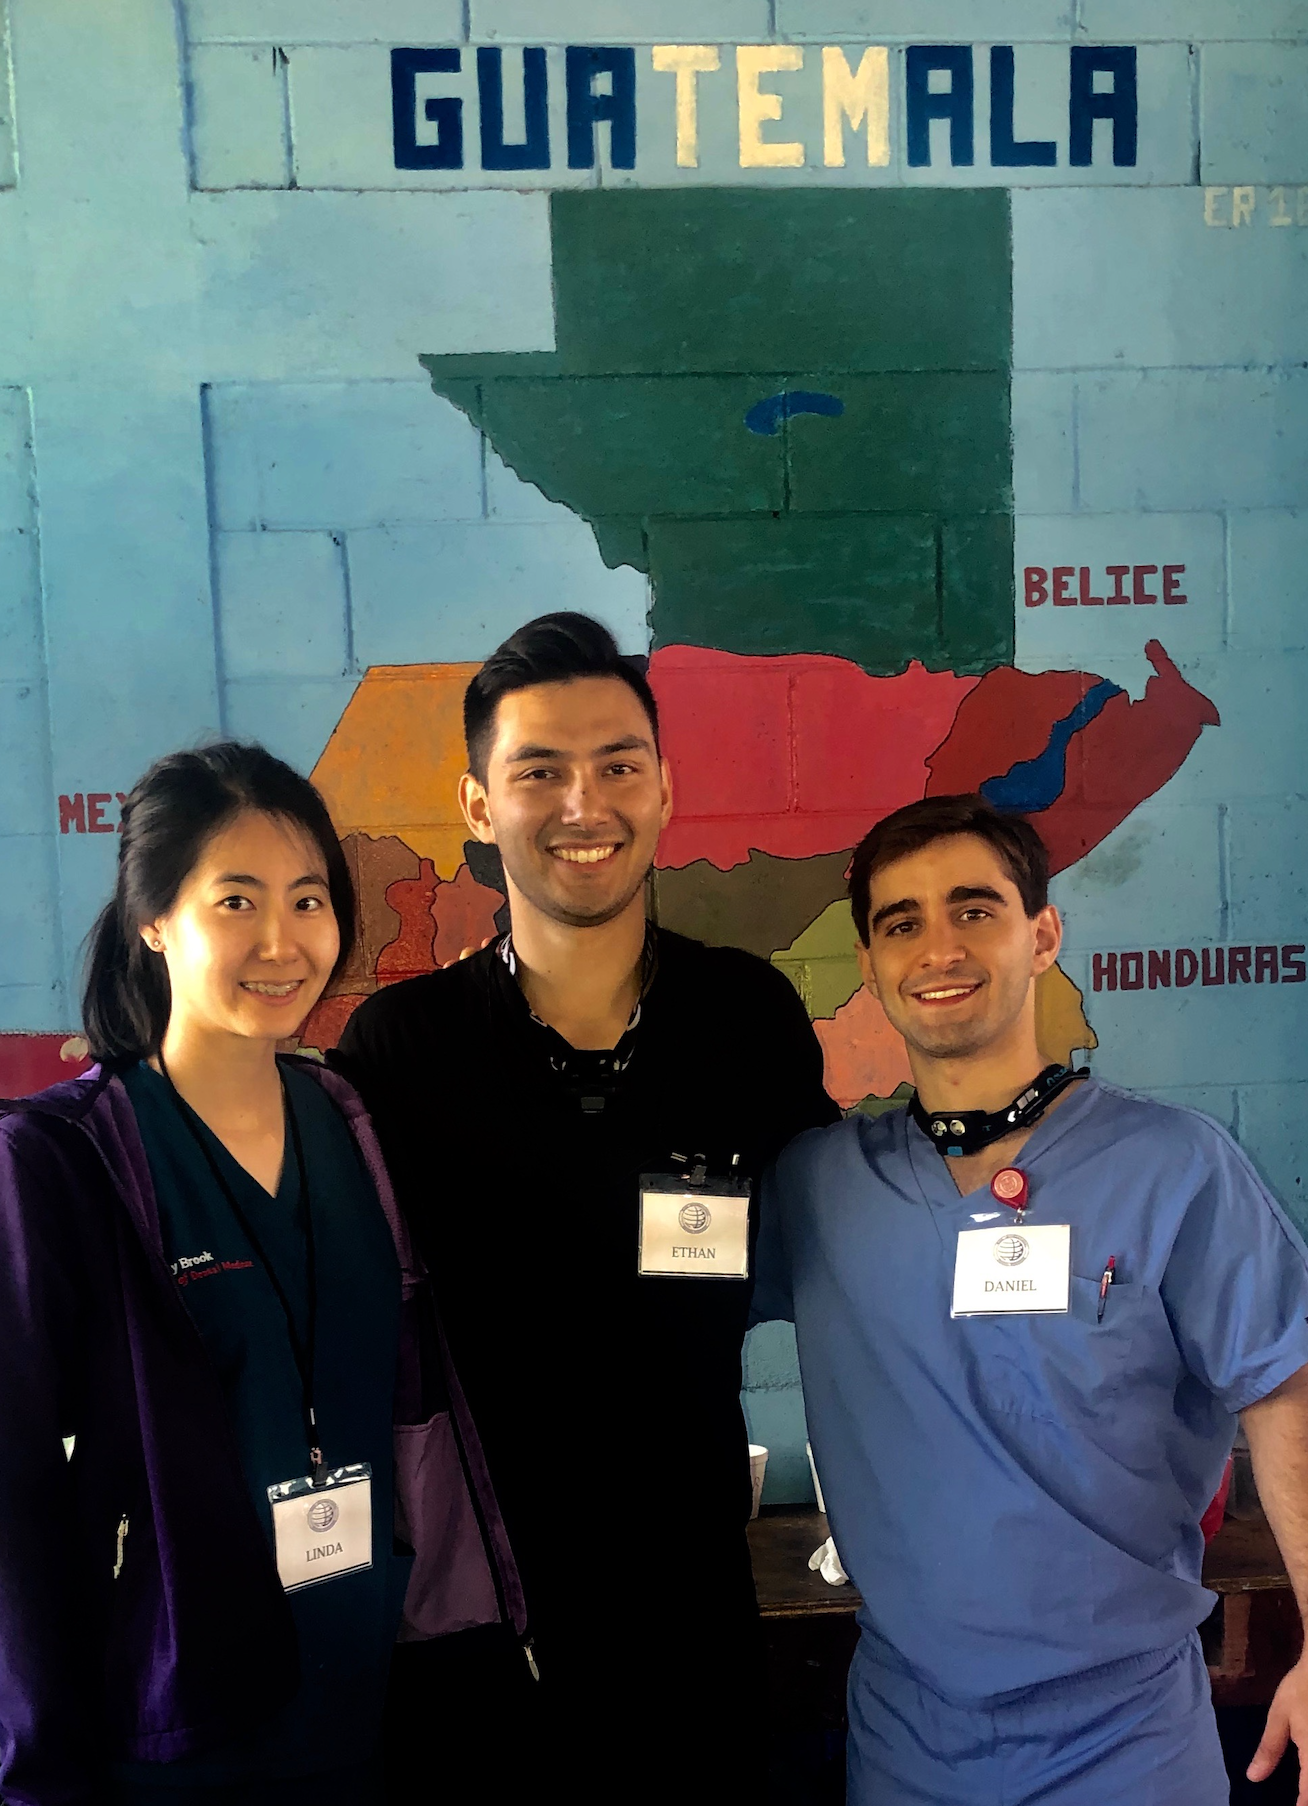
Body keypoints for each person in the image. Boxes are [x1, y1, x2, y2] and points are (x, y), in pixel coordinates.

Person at [330, 613, 839, 1802]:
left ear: (664, 790)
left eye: (618, 766)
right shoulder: (400, 1049)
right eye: (539, 772)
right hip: (473, 1626)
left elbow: (854, 1251)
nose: (583, 804)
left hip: (690, 1617)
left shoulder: (745, 1018)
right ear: (476, 806)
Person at [754, 792, 1308, 1806]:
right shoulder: (820, 1186)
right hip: (908, 1737)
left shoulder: (1175, 1169)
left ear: (1042, 934)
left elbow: (1286, 1388)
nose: (940, 948)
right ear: (872, 969)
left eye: (975, 910)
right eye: (902, 922)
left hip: (1126, 1735)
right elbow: (645, 1312)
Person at [0, 743, 522, 1806]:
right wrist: (34, 1768)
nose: (281, 942)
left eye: (308, 899)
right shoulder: (62, 1161)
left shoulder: (354, 1125)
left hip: (366, 1709)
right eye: (235, 899)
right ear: (155, 918)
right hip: (170, 1739)